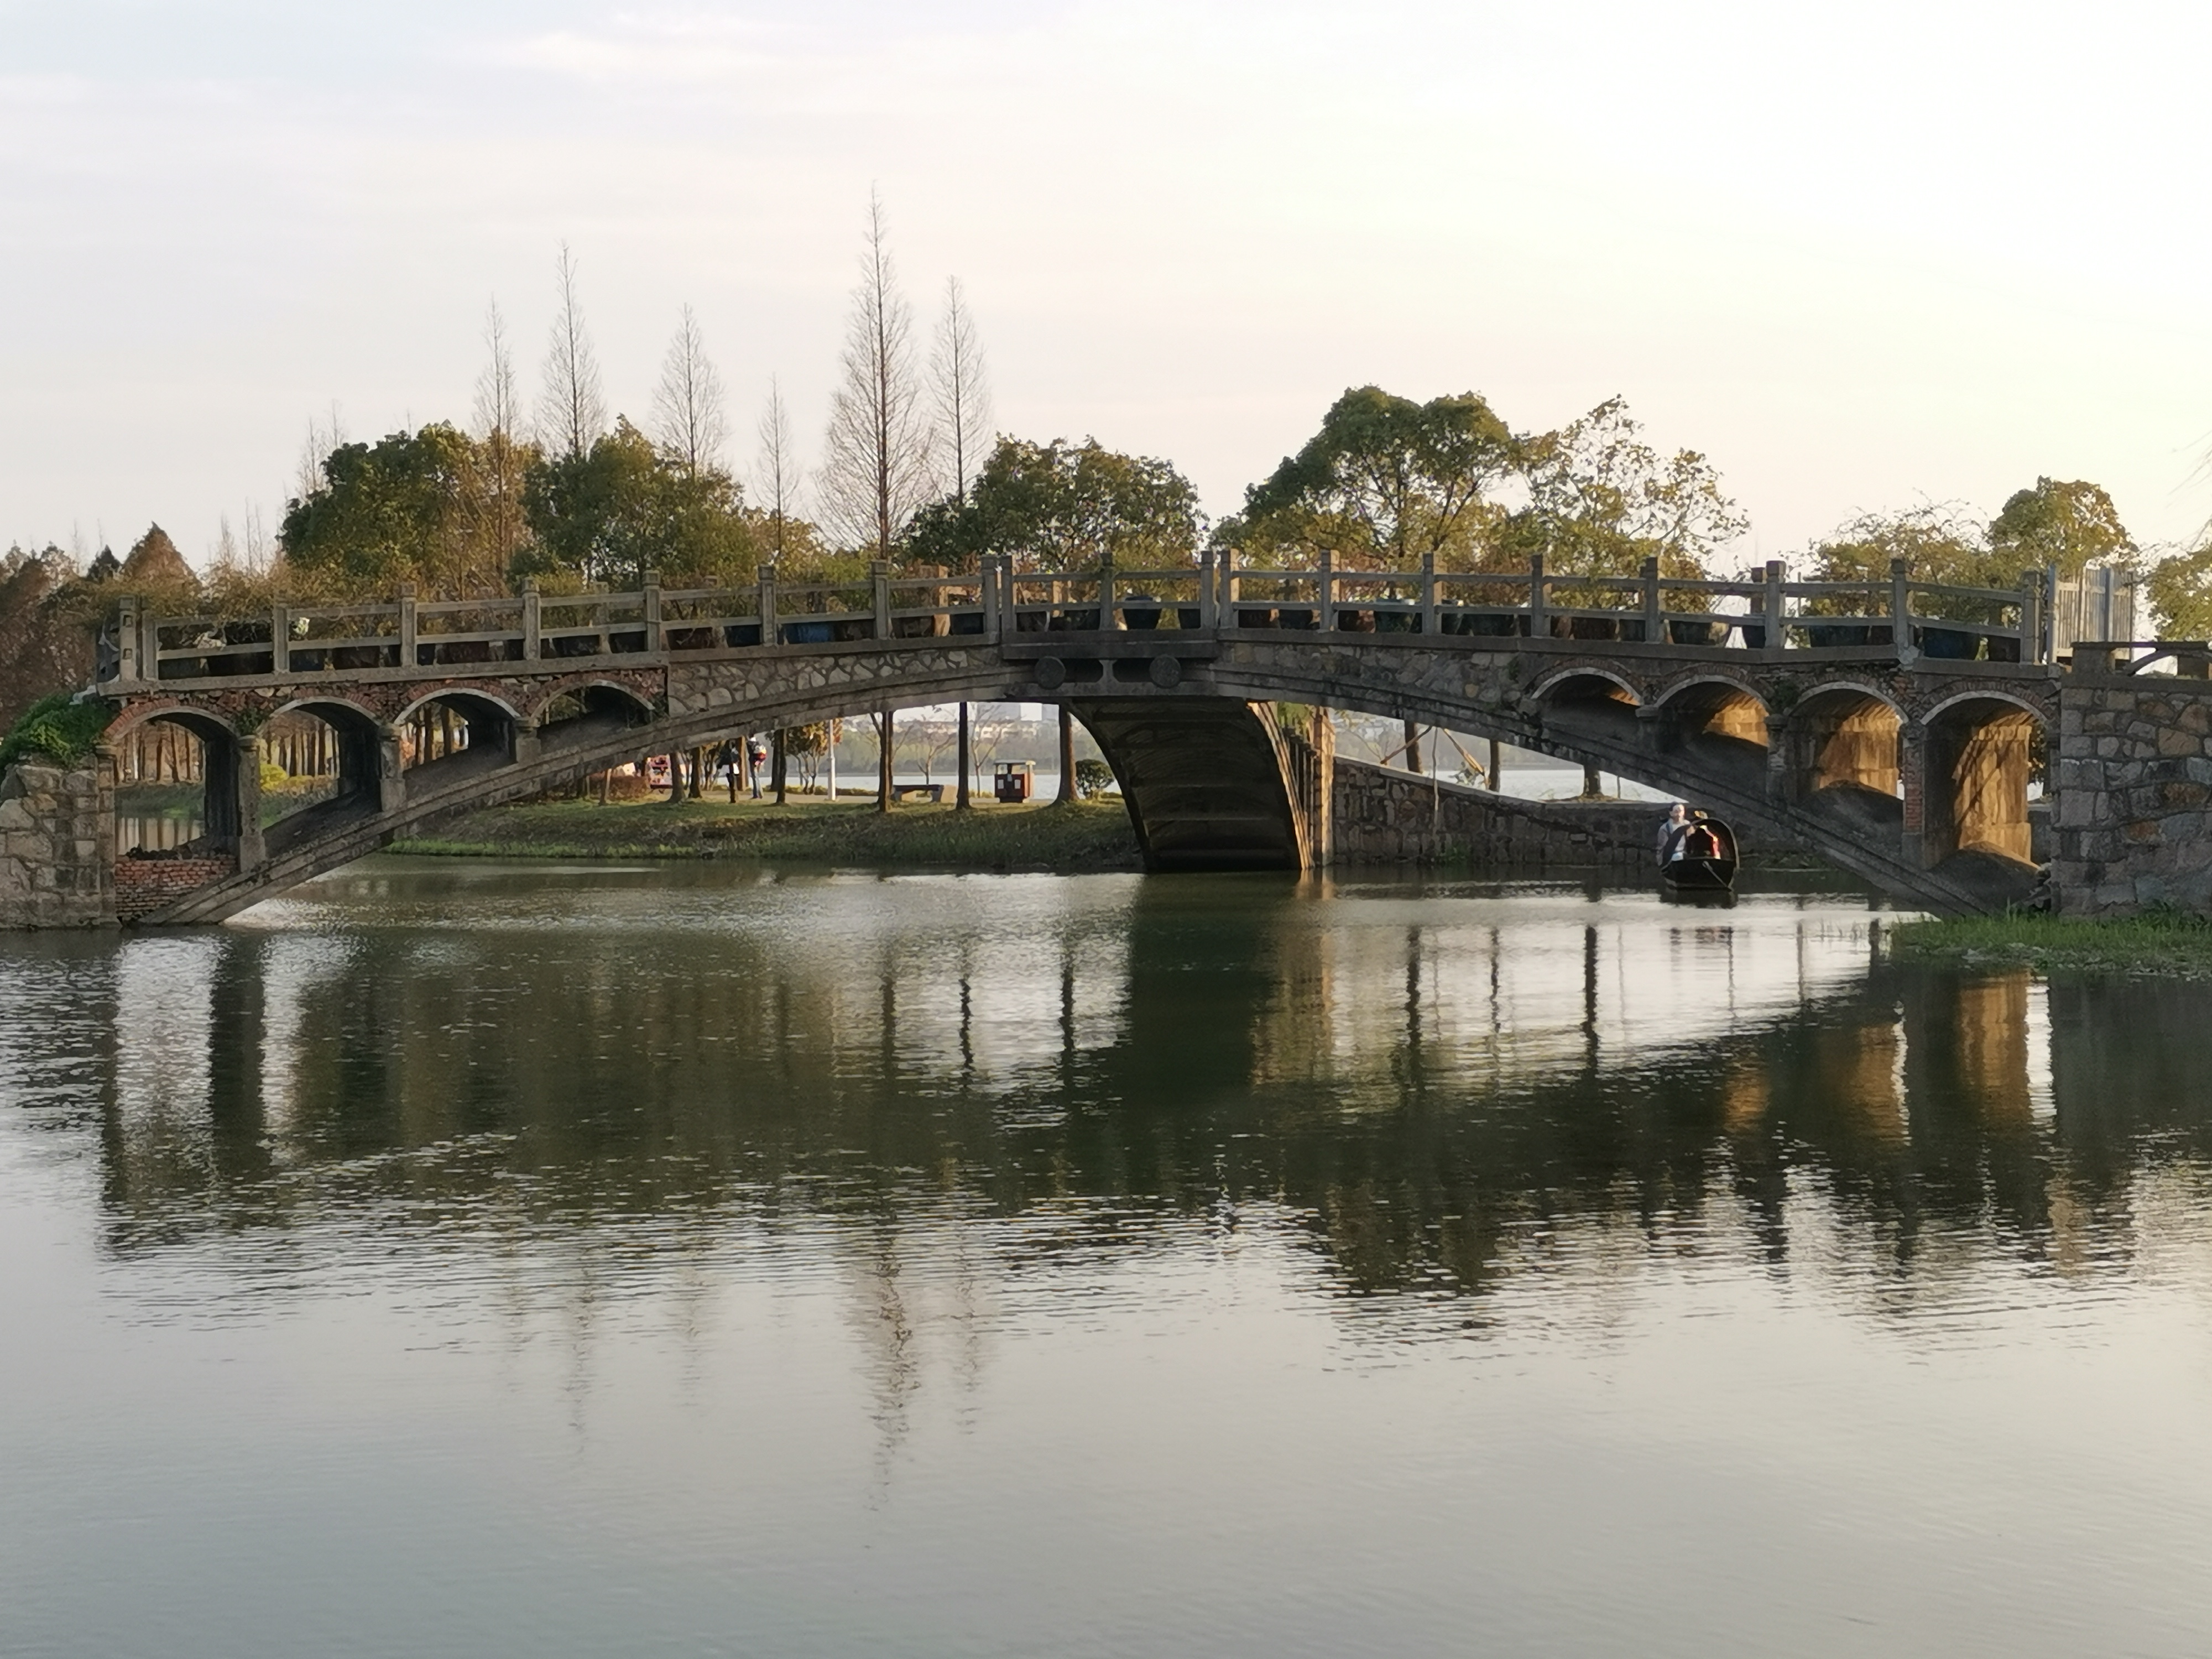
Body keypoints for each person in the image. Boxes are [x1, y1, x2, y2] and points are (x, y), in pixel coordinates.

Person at [1656, 802, 1692, 866]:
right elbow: (1662, 847)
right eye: (1676, 811)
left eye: (1681, 811)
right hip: (1672, 857)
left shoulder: (1687, 825)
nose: (1679, 814)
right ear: (1671, 813)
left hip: (1685, 854)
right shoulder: (1665, 828)